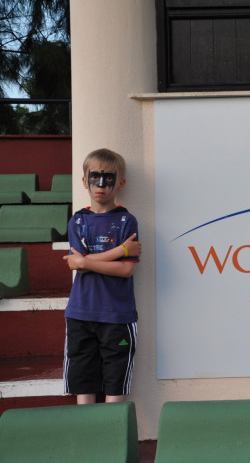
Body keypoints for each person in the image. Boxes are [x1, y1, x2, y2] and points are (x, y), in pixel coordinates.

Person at [63, 148, 142, 404]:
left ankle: (113, 429)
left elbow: (126, 269)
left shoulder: (127, 221)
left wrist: (85, 261)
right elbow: (79, 266)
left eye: (108, 178)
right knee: (83, 381)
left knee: (116, 383)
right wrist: (121, 251)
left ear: (120, 183)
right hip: (81, 314)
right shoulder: (78, 221)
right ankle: (87, 430)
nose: (101, 184)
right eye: (94, 177)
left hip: (118, 316)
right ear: (84, 180)